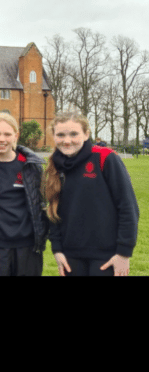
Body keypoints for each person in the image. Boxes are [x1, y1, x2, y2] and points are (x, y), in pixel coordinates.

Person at [43, 111, 139, 276]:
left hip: (106, 255)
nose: (67, 140)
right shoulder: (55, 164)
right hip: (70, 256)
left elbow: (128, 207)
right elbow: (53, 210)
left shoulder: (105, 158)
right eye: (60, 135)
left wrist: (124, 253)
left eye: (74, 134)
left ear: (86, 134)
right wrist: (57, 249)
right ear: (54, 136)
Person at [0, 112, 48, 276]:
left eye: (7, 134)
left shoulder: (32, 167)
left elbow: (44, 205)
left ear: (16, 136)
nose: (2, 139)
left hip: (28, 248)